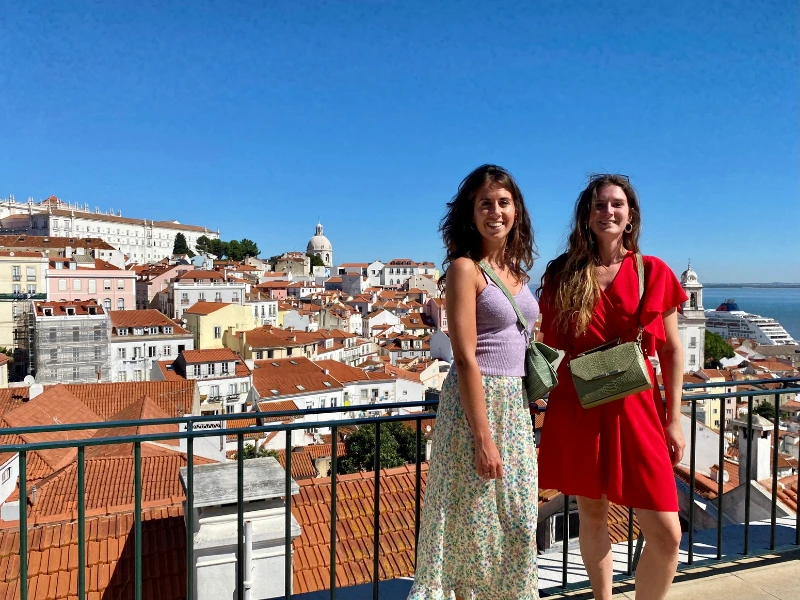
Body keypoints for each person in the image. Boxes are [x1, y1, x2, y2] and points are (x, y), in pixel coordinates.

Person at [537, 174, 687, 600]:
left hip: (638, 409)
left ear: (630, 215)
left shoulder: (653, 271)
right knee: (593, 513)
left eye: (616, 204)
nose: (608, 211)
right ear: (587, 215)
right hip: (578, 404)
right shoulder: (562, 274)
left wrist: (674, 420)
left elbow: (673, 352)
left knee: (666, 532)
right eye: (599, 205)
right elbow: (552, 345)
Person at [408, 164, 540, 600]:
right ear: (471, 212)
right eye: (486, 203)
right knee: (470, 519)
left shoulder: (518, 272)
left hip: (516, 404)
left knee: (518, 518)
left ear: (516, 210)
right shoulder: (466, 268)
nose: (496, 212)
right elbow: (464, 357)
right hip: (477, 404)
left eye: (504, 202)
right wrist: (483, 435)